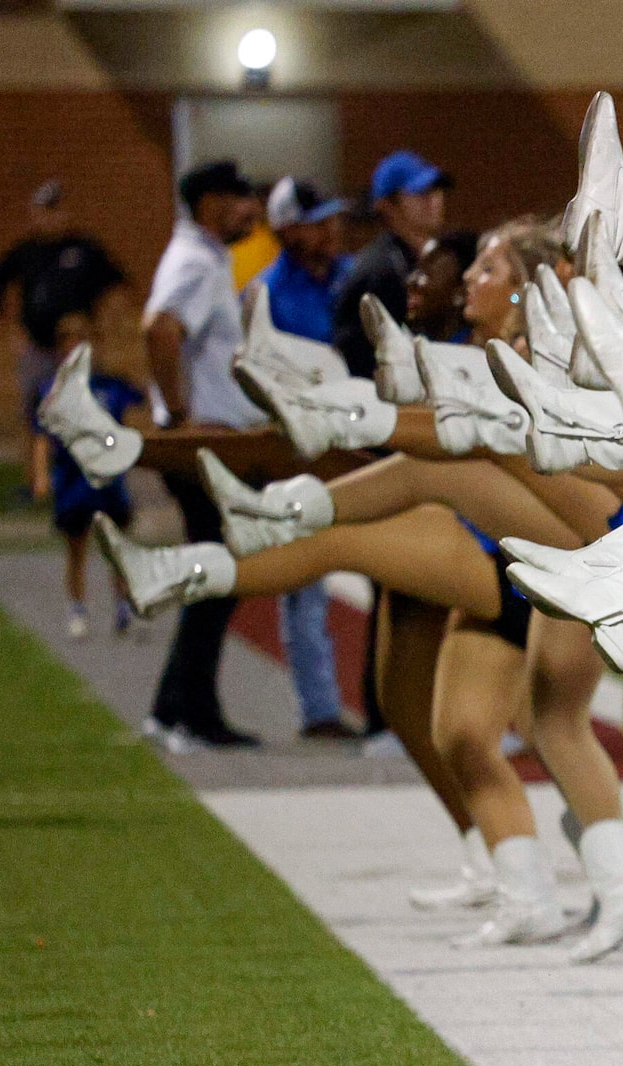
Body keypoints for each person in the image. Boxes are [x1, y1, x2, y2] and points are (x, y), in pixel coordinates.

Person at [140, 157, 268, 750]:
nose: (251, 209)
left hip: (214, 440)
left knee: (216, 576)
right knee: (219, 574)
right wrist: (179, 415)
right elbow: (160, 330)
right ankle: (189, 713)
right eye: (240, 198)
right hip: (205, 444)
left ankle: (177, 707)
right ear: (211, 203)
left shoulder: (206, 257)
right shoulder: (194, 260)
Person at [256, 177, 363, 739]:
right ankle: (319, 708)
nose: (329, 232)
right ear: (285, 229)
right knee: (305, 577)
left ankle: (388, 704)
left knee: (395, 570)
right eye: (316, 221)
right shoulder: (264, 294)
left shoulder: (352, 276)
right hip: (300, 446)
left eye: (332, 220)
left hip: (363, 439)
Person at [0, 180, 128, 501]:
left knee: (88, 410)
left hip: (78, 348)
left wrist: (104, 330)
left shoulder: (84, 249)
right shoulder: (26, 252)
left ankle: (90, 474)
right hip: (38, 347)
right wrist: (14, 333)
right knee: (34, 416)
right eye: (44, 211)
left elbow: (117, 287)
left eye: (56, 209)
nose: (51, 217)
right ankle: (35, 481)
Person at [37, 309, 141, 640]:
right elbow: (42, 435)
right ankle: (77, 607)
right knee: (76, 546)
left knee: (116, 545)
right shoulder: (52, 391)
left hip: (109, 481)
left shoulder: (111, 386)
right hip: (73, 480)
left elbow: (138, 415)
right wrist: (40, 474)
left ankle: (124, 604)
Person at [333, 150, 449, 377]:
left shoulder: (421, 259)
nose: (434, 200)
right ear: (387, 205)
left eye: (436, 190)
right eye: (420, 193)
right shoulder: (379, 271)